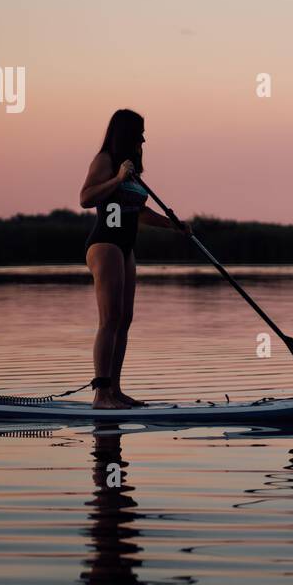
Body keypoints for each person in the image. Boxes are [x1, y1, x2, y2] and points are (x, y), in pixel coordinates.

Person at [79, 109, 188, 409]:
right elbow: (86, 198)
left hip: (126, 246)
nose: (143, 137)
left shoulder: (134, 170)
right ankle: (101, 395)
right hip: (105, 243)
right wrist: (116, 178)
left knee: (124, 320)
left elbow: (139, 211)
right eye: (139, 131)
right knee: (109, 319)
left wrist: (173, 225)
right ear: (125, 133)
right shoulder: (105, 161)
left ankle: (115, 390)